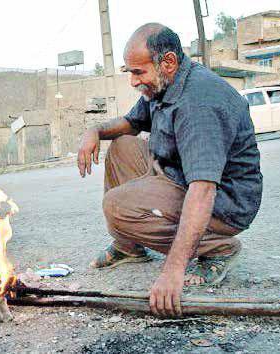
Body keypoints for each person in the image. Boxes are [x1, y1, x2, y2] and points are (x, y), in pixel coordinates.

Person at [77, 23, 262, 317]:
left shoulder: (199, 102)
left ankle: (217, 248)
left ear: (168, 62)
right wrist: (95, 130)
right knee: (122, 146)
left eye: (138, 72)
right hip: (178, 175)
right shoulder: (164, 84)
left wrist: (173, 270)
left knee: (117, 206)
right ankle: (129, 247)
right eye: (130, 72)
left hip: (223, 202)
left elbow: (203, 190)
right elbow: (132, 123)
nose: (133, 81)